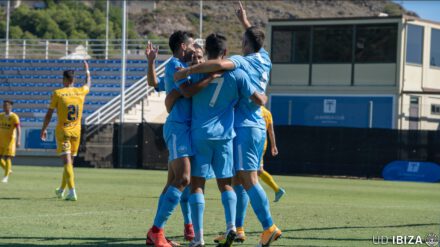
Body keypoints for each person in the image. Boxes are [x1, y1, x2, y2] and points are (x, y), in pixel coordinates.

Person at [174, 2, 282, 246]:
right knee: (235, 181)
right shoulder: (265, 59)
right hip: (240, 130)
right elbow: (254, 43)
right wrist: (245, 21)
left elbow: (220, 66)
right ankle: (237, 228)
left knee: (246, 179)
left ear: (244, 45)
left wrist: (185, 72)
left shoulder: (238, 65)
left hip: (242, 126)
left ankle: (268, 226)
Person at [146, 31, 216, 247]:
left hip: (187, 129)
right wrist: (212, 76)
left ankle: (160, 232)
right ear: (183, 47)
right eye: (192, 44)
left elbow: (155, 84)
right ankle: (156, 231)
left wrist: (151, 63)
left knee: (173, 183)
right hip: (178, 128)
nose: (194, 47)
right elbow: (185, 92)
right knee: (184, 179)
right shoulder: (175, 65)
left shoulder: (183, 67)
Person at [40, 61, 91, 201]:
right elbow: (88, 84)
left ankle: (72, 191)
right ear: (73, 80)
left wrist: (43, 129)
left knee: (67, 162)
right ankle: (61, 190)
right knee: (70, 162)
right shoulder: (81, 91)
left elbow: (49, 114)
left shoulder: (58, 93)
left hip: (63, 131)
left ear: (64, 80)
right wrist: (87, 71)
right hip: (76, 132)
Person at [259, 106, 285, 202]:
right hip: (263, 144)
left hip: (256, 144)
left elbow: (270, 131)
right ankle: (251, 193)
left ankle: (277, 190)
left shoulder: (255, 110)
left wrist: (274, 146)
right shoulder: (267, 112)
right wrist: (273, 146)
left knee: (257, 170)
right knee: (255, 171)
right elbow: (271, 131)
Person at [0, 100, 21, 183]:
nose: (4, 107)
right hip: (1, 140)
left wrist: (18, 140)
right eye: (4, 105)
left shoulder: (14, 117)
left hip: (10, 141)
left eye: (6, 105)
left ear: (10, 106)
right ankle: (7, 169)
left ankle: (6, 176)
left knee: (7, 157)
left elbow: (18, 128)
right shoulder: (1, 115)